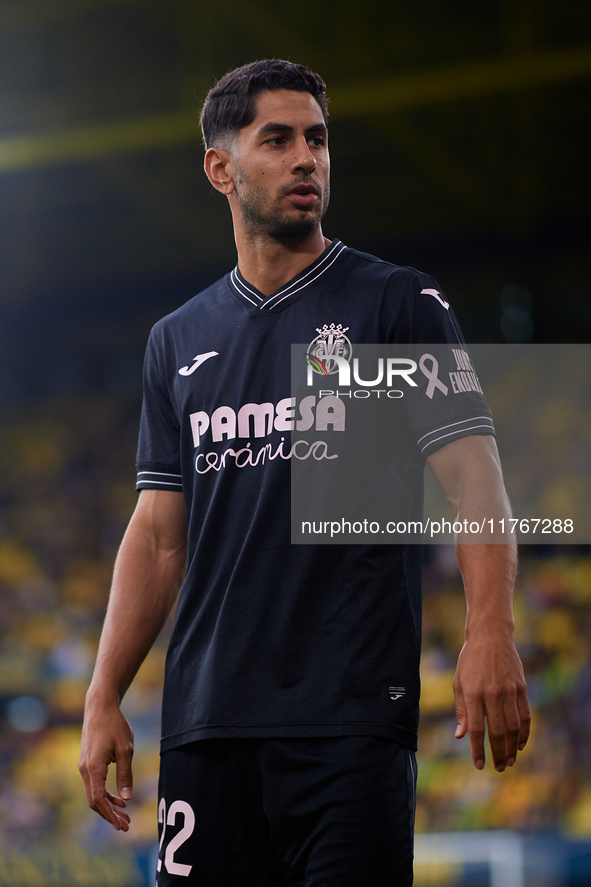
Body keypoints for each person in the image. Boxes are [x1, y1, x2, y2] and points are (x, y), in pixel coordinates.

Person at [79, 59, 531, 886]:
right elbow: (157, 536)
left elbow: (473, 480)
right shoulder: (176, 342)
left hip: (347, 723)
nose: (306, 160)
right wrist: (104, 689)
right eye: (277, 140)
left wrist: (489, 631)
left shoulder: (394, 305)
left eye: (317, 140)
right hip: (204, 727)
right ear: (221, 168)